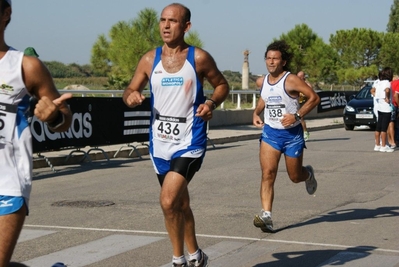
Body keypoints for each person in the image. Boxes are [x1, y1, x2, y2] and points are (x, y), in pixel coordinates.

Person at [122, 3, 229, 266]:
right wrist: (132, 96)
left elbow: (223, 85)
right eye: (162, 20)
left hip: (189, 140)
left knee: (168, 201)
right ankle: (196, 256)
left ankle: (178, 260)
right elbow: (129, 90)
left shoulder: (199, 58)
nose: (166, 26)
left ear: (186, 26)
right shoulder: (150, 59)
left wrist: (211, 103)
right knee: (180, 203)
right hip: (159, 143)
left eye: (172, 21)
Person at [0, 1, 73, 266]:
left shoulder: (25, 66)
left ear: (6, 13)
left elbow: (65, 119)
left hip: (6, 182)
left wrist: (53, 115)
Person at [252, 40, 320, 233]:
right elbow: (265, 98)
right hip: (271, 134)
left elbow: (314, 98)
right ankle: (267, 216)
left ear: (283, 62)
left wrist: (297, 116)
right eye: (268, 58)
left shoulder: (290, 80)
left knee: (294, 176)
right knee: (267, 174)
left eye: (275, 59)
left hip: (292, 136)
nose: (271, 62)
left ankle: (308, 174)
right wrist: (256, 113)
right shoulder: (262, 81)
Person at [370, 67, 394, 152]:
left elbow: (372, 90)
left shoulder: (378, 83)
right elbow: (387, 90)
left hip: (379, 107)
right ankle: (384, 146)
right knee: (384, 127)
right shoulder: (387, 83)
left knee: (378, 127)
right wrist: (387, 97)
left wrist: (376, 95)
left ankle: (377, 145)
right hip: (386, 108)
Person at [296, 71, 312, 141]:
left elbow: (311, 95)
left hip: (303, 103)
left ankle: (305, 132)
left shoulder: (307, 84)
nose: (298, 78)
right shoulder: (296, 83)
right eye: (297, 76)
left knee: (300, 118)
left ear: (303, 77)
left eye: (300, 76)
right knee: (296, 119)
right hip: (295, 103)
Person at [391, 75, 399, 147]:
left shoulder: (390, 83)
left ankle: (392, 140)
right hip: (395, 105)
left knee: (392, 124)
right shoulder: (398, 83)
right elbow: (396, 95)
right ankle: (397, 140)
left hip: (390, 105)